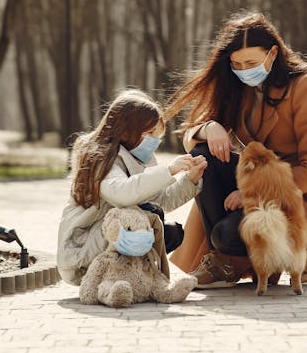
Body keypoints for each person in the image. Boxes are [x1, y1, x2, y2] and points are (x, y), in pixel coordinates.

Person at [165, 11, 307, 288]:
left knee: (230, 234)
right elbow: (189, 137)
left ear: (273, 54)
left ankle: (303, 245)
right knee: (202, 157)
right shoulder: (236, 88)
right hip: (249, 181)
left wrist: (254, 192)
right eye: (237, 64)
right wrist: (209, 128)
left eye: (252, 62)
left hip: (292, 192)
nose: (244, 70)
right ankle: (223, 260)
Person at [57, 89, 207, 286]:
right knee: (145, 216)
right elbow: (122, 194)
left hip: (109, 239)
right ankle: (119, 277)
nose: (155, 140)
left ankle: (130, 275)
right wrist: (169, 170)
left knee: (167, 229)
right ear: (127, 131)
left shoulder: (140, 156)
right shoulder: (101, 158)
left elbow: (162, 201)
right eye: (150, 133)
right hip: (81, 254)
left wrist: (190, 180)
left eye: (158, 133)